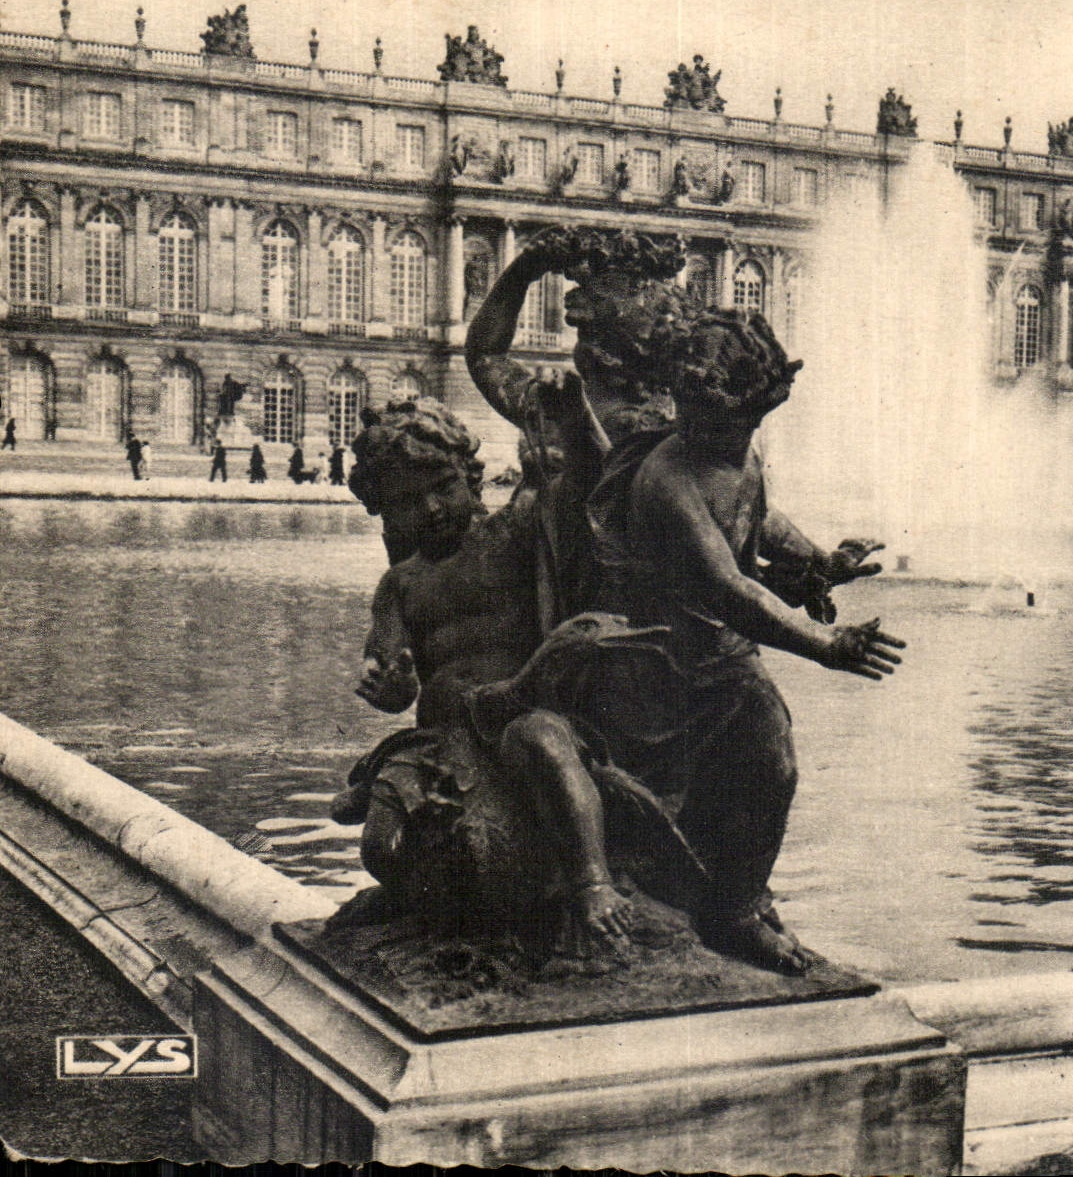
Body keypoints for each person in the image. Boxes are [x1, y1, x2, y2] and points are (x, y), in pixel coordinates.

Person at [590, 308, 900, 973]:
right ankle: (694, 907)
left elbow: (759, 514)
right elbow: (731, 588)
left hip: (722, 656)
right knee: (668, 797)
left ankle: (737, 904)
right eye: (724, 425)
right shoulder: (667, 479)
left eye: (750, 423)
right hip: (662, 665)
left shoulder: (740, 450)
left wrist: (820, 560)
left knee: (771, 765)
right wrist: (827, 644)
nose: (739, 438)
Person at [331, 399, 648, 955]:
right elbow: (389, 669)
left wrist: (571, 418)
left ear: (470, 478)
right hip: (442, 740)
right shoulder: (400, 585)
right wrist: (392, 689)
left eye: (443, 486)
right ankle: (411, 894)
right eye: (407, 501)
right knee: (379, 845)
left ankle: (593, 884)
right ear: (382, 508)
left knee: (542, 740)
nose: (430, 508)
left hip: (521, 713)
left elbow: (582, 489)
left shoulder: (510, 536)